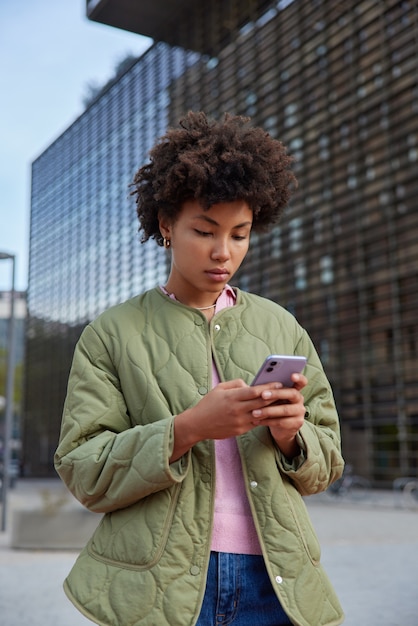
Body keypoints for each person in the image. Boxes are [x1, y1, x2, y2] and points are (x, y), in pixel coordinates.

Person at [54, 111, 345, 626]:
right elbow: (84, 469)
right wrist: (187, 429)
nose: (223, 252)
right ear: (166, 225)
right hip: (157, 585)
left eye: (240, 234)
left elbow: (327, 464)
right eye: (205, 231)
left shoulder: (281, 326)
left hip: (274, 582)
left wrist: (291, 435)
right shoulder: (112, 334)